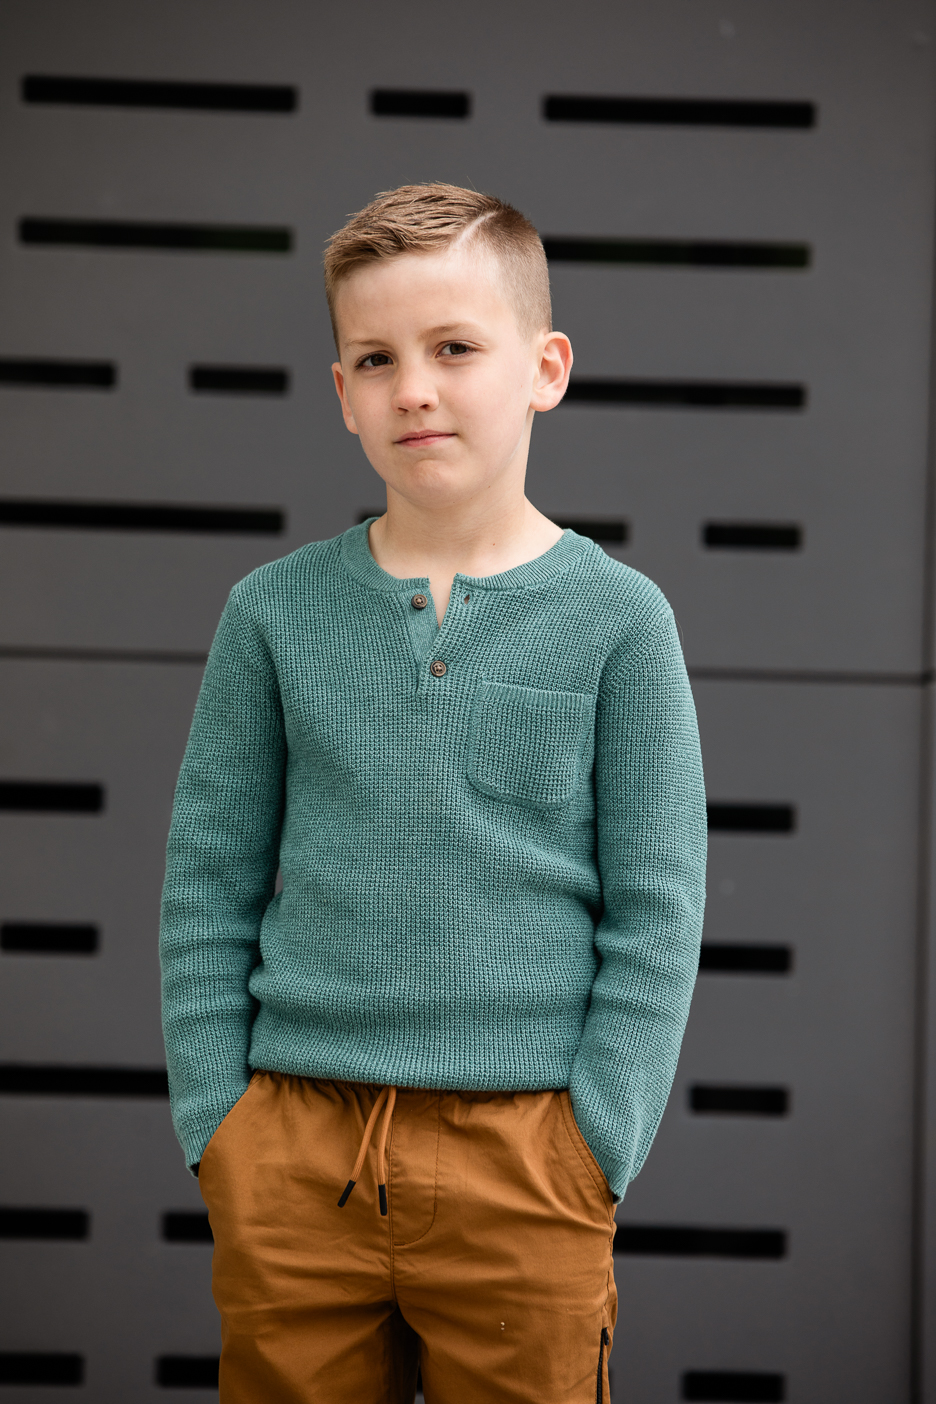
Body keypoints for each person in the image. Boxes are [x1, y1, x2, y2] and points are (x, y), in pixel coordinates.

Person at [159, 182, 707, 1404]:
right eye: (376, 358)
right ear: (341, 392)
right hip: (294, 1148)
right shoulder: (272, 613)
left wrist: (596, 1141)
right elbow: (208, 879)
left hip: (529, 1158)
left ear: (545, 369)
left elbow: (660, 910)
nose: (413, 387)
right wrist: (219, 1127)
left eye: (455, 348)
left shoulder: (622, 621)